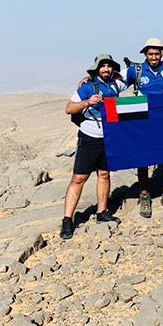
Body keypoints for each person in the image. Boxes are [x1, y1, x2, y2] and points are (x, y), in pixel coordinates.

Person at [60, 54, 126, 239]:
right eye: (103, 66)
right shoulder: (87, 86)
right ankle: (67, 220)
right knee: (79, 178)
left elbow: (132, 75)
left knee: (104, 175)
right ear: (97, 68)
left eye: (109, 66)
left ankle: (102, 212)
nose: (106, 69)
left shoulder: (116, 84)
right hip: (89, 138)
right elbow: (69, 108)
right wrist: (87, 102)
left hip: (109, 137)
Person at [122, 38, 163, 218]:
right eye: (150, 54)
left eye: (157, 53)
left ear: (161, 54)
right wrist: (89, 80)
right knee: (143, 159)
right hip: (143, 119)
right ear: (145, 55)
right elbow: (115, 81)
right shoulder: (136, 70)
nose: (154, 57)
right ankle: (145, 196)